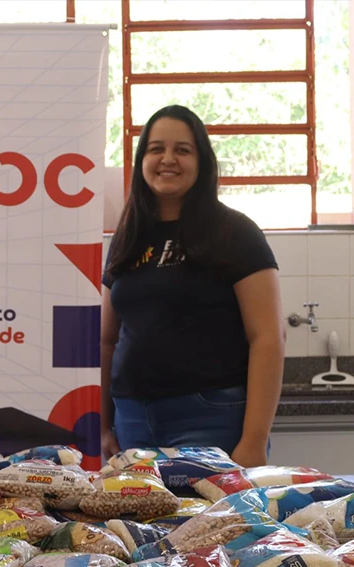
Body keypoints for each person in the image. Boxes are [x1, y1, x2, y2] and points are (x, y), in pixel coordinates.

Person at [100, 105, 286, 468]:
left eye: (182, 150)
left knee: (209, 526)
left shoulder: (235, 232)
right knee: (135, 527)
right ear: (141, 160)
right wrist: (104, 424)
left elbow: (268, 337)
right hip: (132, 422)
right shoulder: (128, 236)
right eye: (156, 149)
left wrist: (254, 441)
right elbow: (107, 340)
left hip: (210, 419)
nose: (167, 159)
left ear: (202, 162)